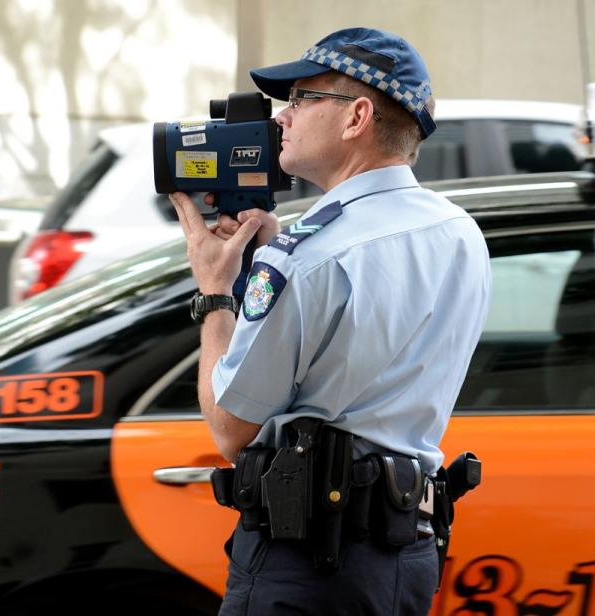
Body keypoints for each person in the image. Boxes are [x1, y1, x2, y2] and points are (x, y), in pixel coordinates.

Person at [170, 27, 491, 615]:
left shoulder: (306, 256)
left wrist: (215, 292)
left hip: (306, 565)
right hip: (406, 557)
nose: (282, 118)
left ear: (357, 117)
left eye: (300, 99)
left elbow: (230, 428)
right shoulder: (458, 231)